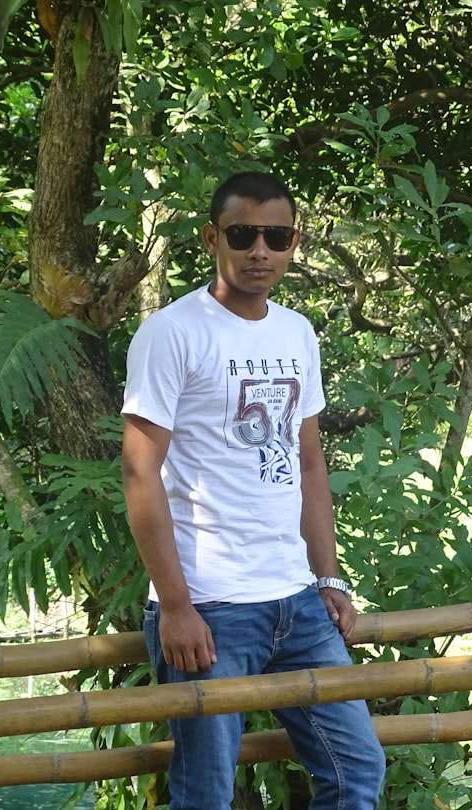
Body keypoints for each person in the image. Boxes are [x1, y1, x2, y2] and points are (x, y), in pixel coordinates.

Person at [121, 171, 386, 810]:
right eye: (242, 235)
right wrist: (176, 607)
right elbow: (139, 473)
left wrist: (328, 577)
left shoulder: (296, 331)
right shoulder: (172, 332)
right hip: (210, 607)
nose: (259, 250)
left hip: (297, 602)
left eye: (277, 236)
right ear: (212, 238)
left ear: (295, 242)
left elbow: (309, 464)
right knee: (206, 795)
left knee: (357, 771)